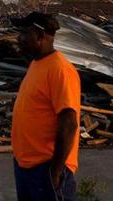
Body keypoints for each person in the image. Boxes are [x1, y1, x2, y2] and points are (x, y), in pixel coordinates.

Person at [11, 12, 80, 201]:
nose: (20, 38)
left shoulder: (60, 70)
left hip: (46, 169)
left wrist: (56, 171)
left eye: (24, 33)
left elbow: (69, 123)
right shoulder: (37, 64)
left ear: (40, 36)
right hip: (26, 167)